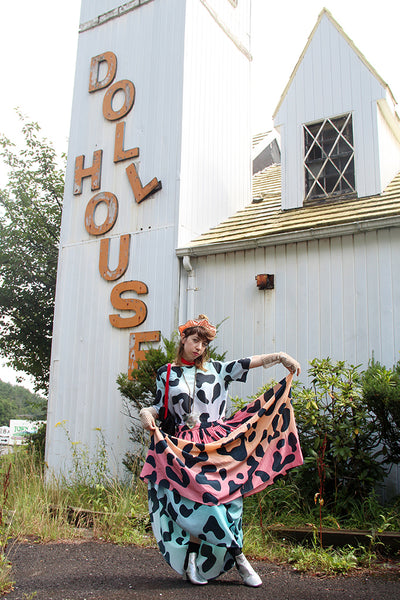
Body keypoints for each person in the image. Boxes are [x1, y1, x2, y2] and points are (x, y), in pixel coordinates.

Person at [140, 315, 302, 587]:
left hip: (219, 444)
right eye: (195, 340)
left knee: (229, 503)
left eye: (204, 343)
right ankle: (238, 559)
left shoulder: (219, 369)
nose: (199, 347)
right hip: (185, 446)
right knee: (198, 503)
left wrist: (280, 356)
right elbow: (160, 407)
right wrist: (147, 412)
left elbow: (249, 362)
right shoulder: (166, 373)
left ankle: (201, 562)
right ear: (183, 340)